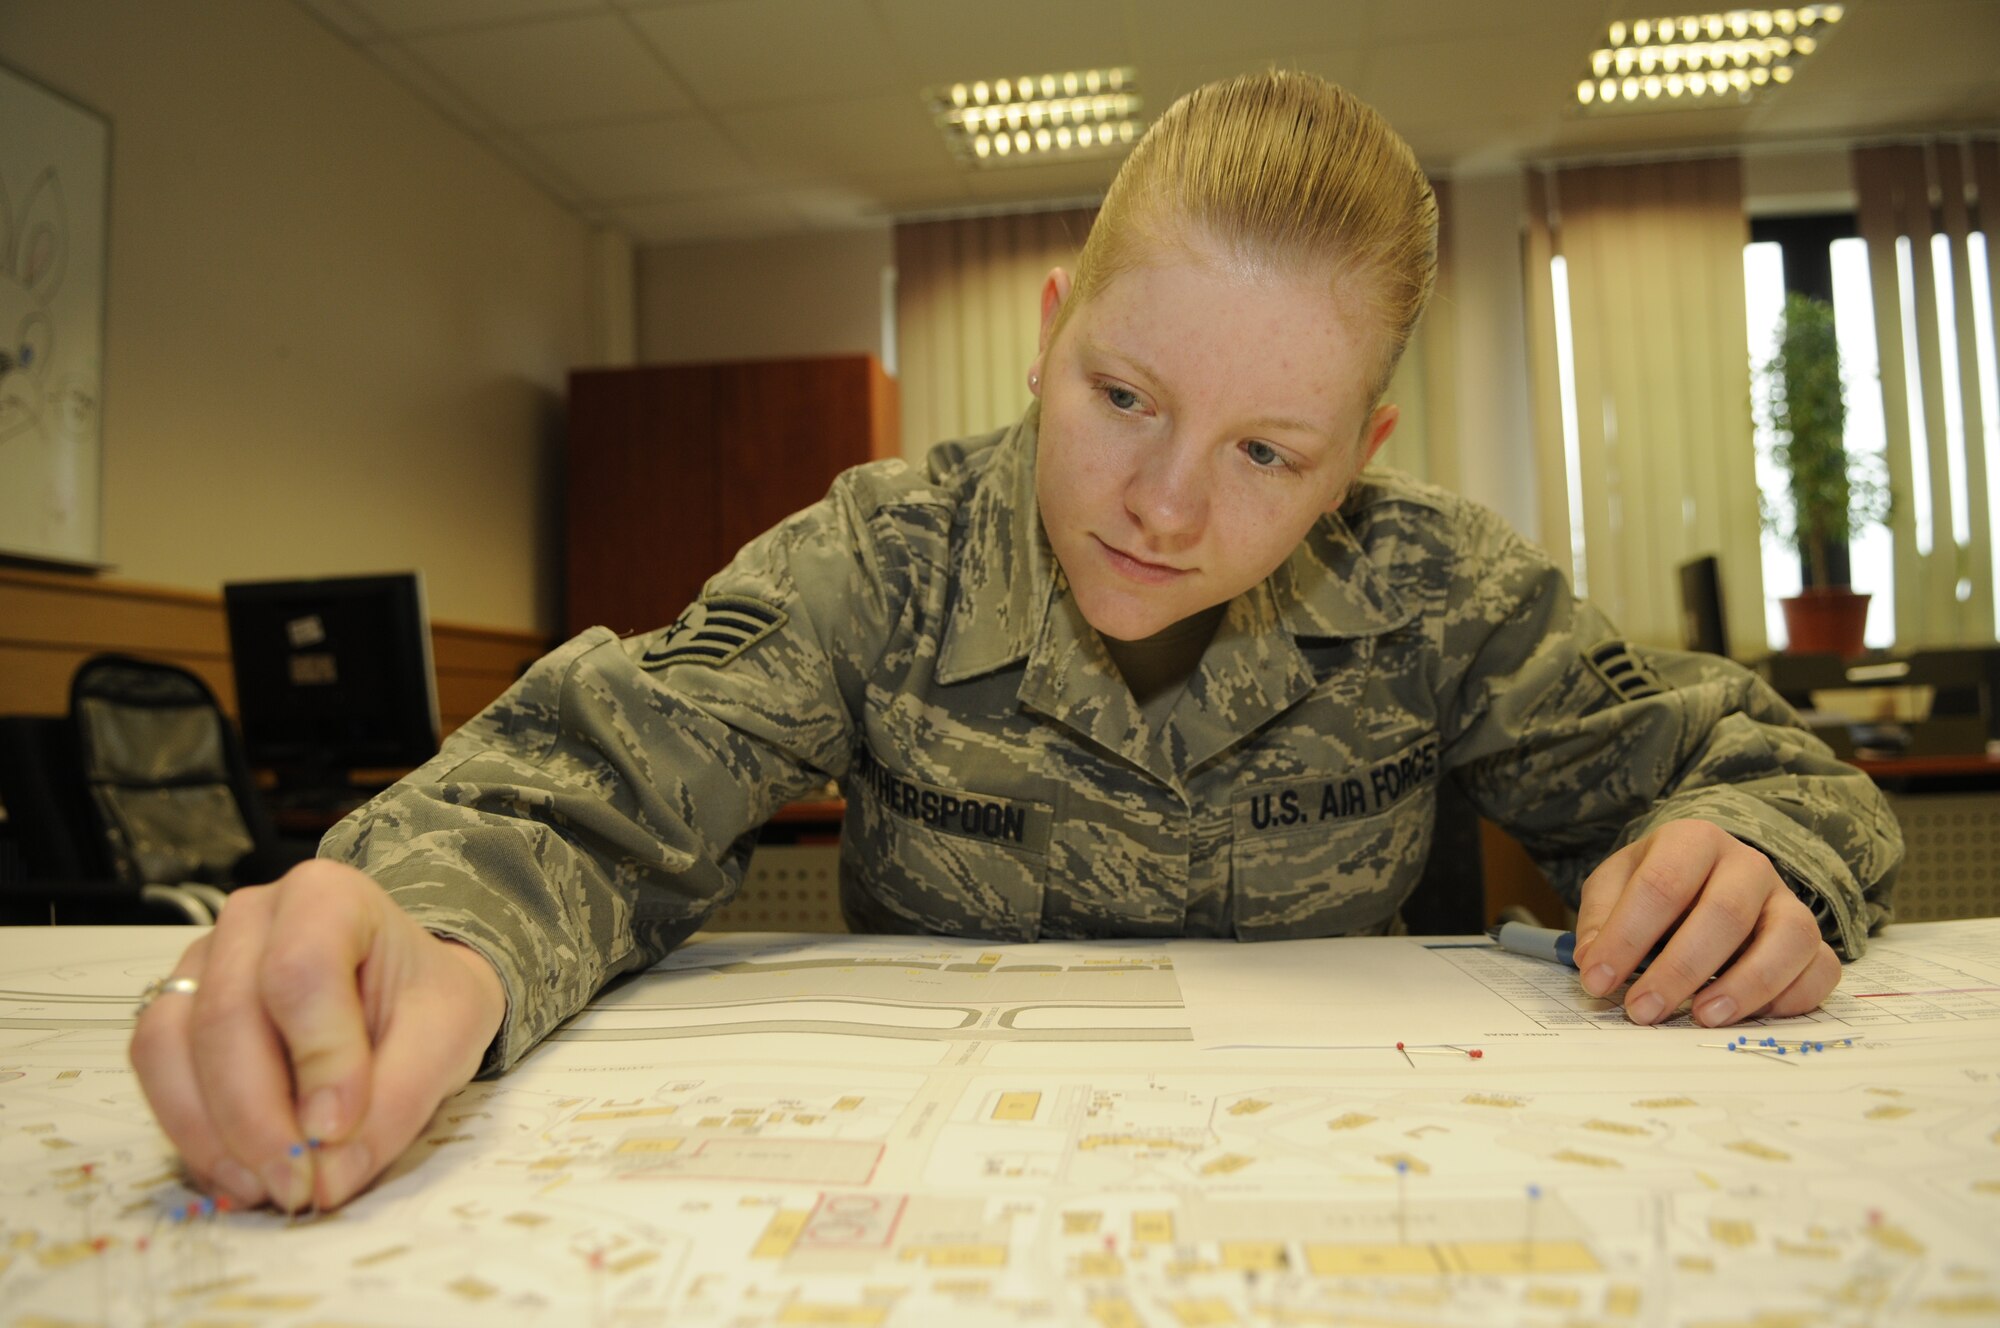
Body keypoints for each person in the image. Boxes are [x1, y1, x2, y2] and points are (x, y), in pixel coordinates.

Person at [129, 70, 1901, 1215]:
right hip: (935, 1222)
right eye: (1123, 395)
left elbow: (1755, 770)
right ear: (1049, 339)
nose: (1167, 507)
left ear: (1357, 457)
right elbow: (590, 792)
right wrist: (436, 938)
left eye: (1268, 456)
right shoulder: (881, 558)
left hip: (1341, 1210)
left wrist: (1753, 851)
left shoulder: (1439, 586)